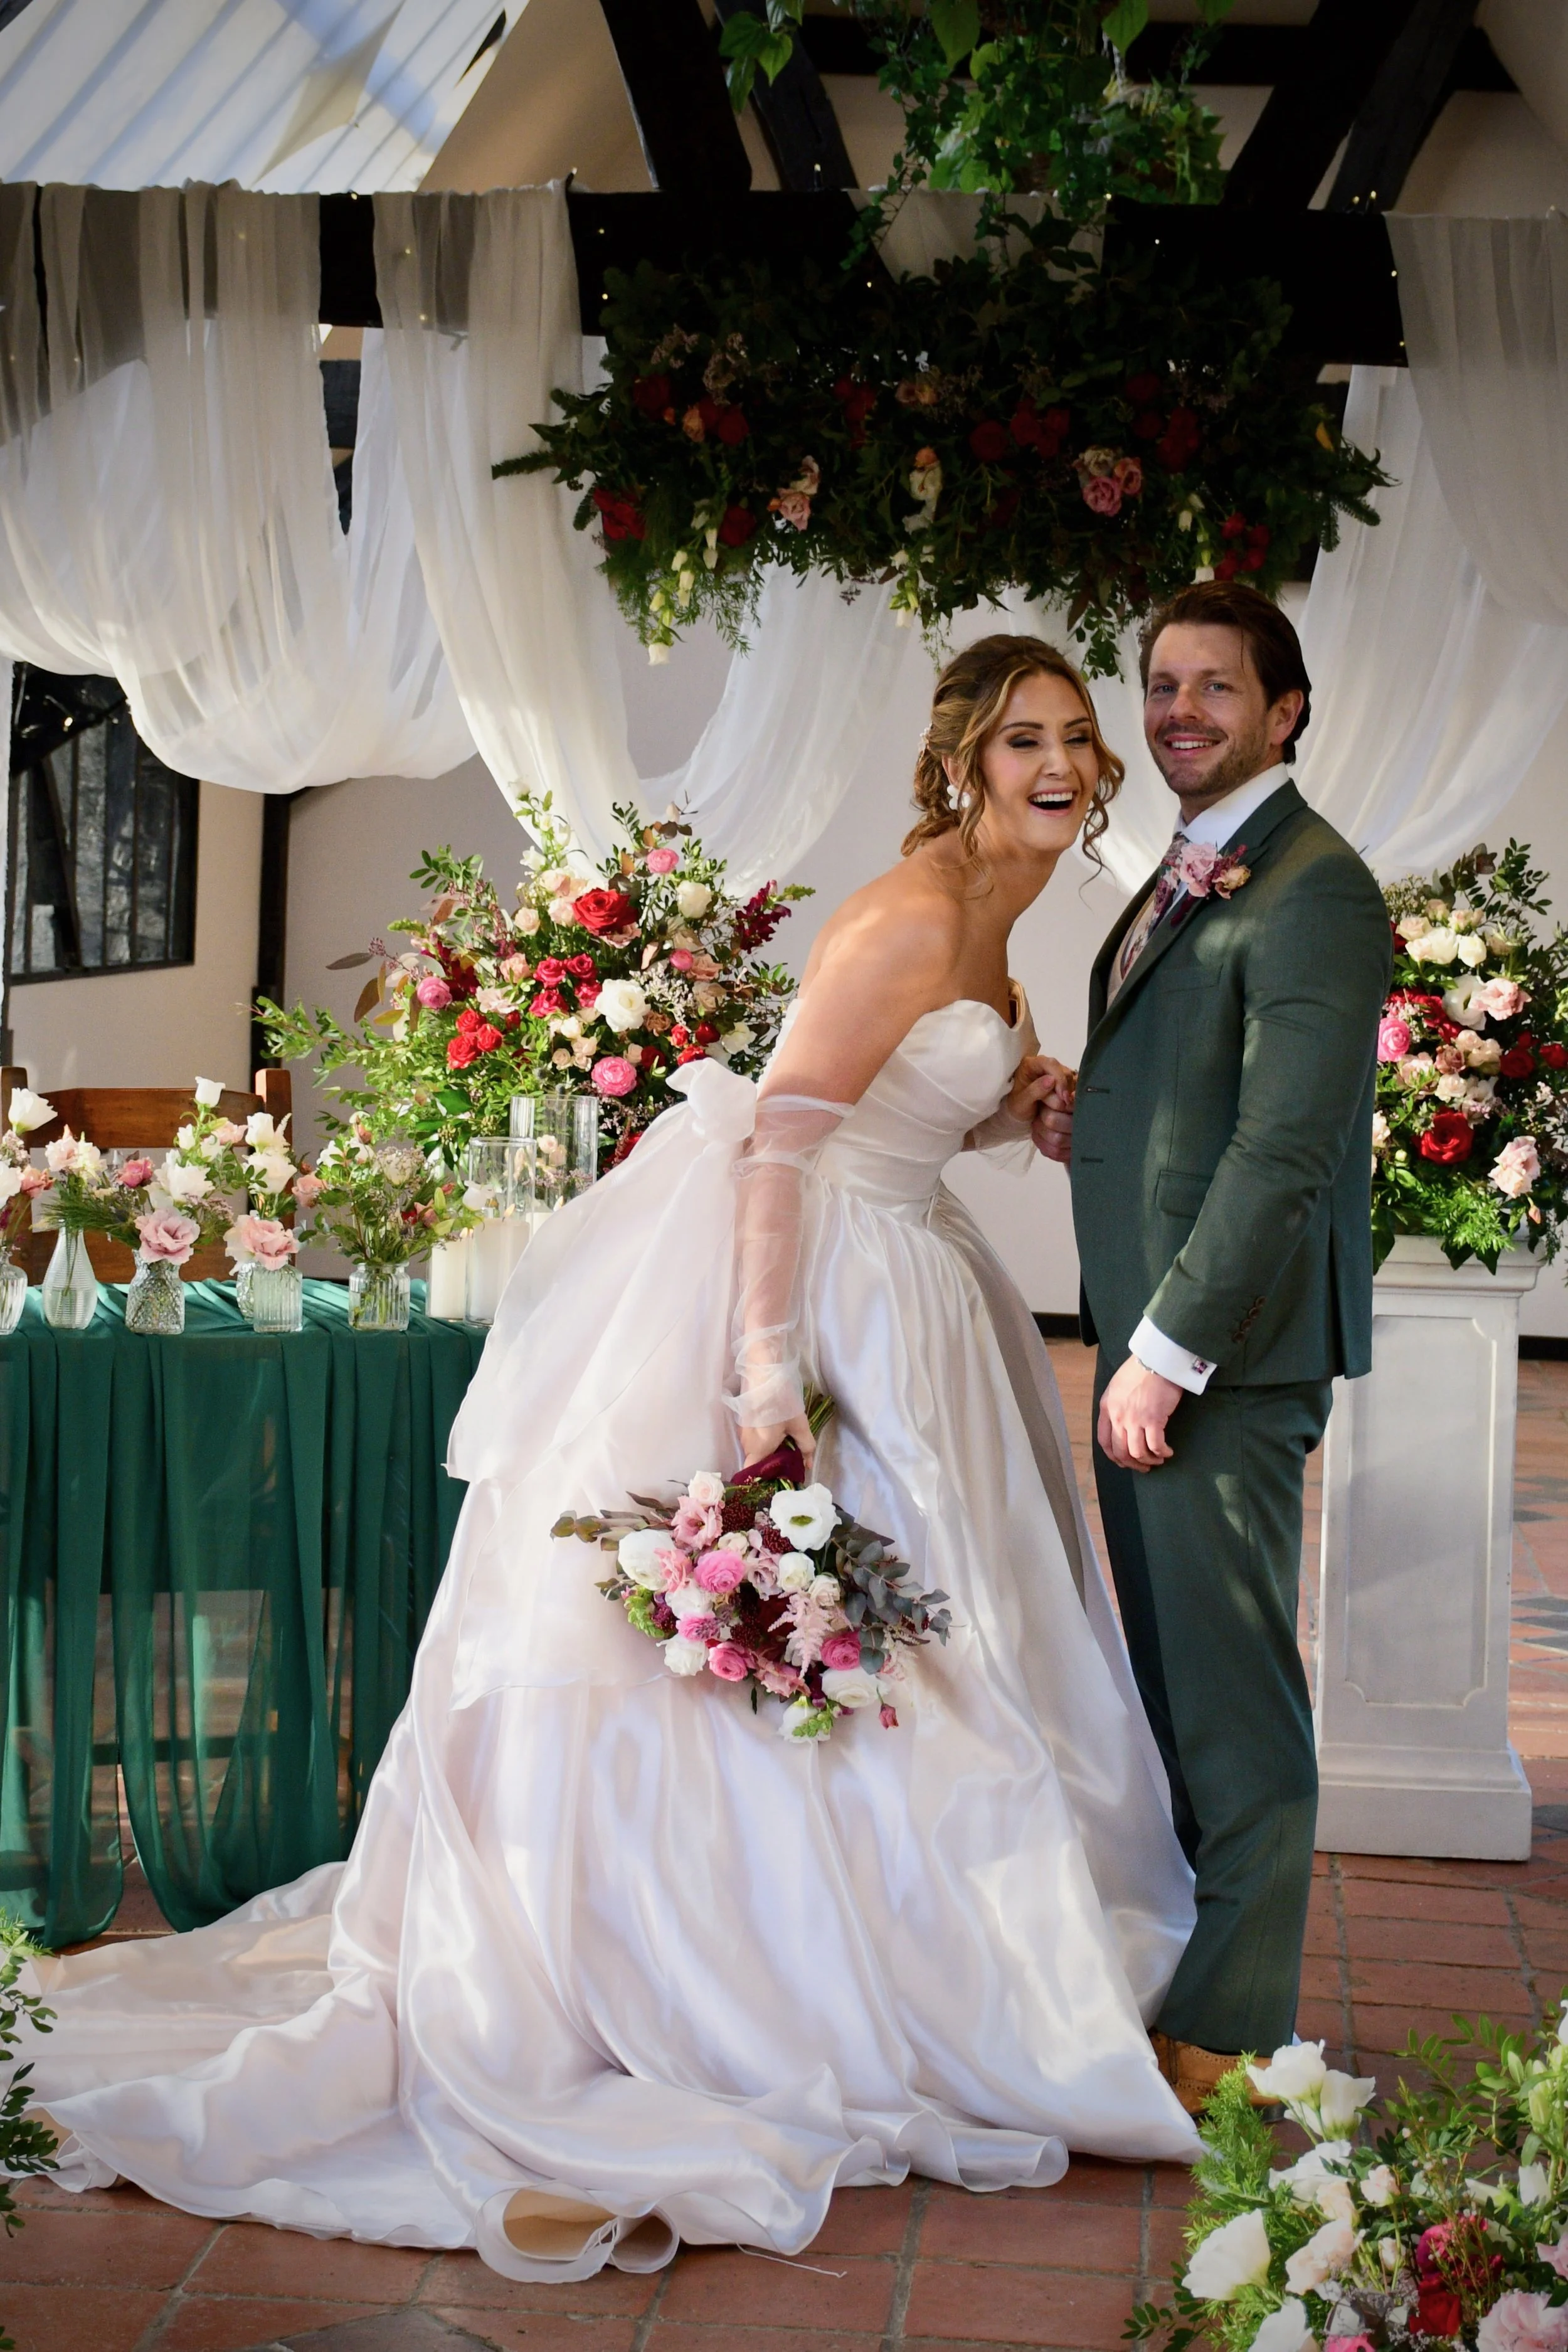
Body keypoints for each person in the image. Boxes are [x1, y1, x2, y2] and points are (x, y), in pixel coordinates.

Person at [14, 633, 1200, 2285]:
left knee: (956, 1652)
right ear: (957, 764)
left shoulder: (1000, 911)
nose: (1058, 763)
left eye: (1076, 737)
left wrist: (1018, 1100)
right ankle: (826, 1972)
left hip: (928, 1289)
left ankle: (959, 1955)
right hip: (837, 1303)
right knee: (885, 1666)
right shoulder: (915, 906)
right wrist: (769, 1385)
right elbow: (785, 1137)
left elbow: (897, 1100)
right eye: (1022, 739)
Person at [1067, 581, 1391, 2116]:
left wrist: (1166, 1353)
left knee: (1236, 1699)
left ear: (1284, 709)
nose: (1176, 708)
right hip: (1159, 1345)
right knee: (1177, 1689)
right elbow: (1188, 1089)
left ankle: (1226, 2036)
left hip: (1218, 1363)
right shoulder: (1189, 870)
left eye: (1213, 684)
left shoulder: (1314, 883)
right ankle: (1195, 1979)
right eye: (1159, 682)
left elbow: (1283, 1154)